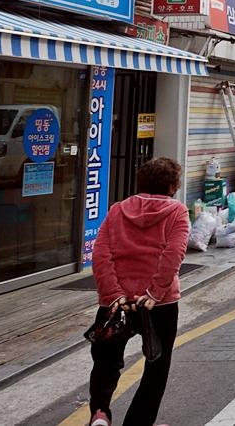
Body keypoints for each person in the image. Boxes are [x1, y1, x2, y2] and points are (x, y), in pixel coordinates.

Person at [87, 157, 189, 426]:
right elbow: (173, 255)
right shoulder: (177, 212)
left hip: (116, 303)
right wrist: (154, 293)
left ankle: (100, 413)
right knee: (156, 364)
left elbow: (101, 254)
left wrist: (114, 295)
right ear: (171, 185)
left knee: (106, 361)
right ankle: (139, 422)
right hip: (158, 305)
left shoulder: (118, 210)